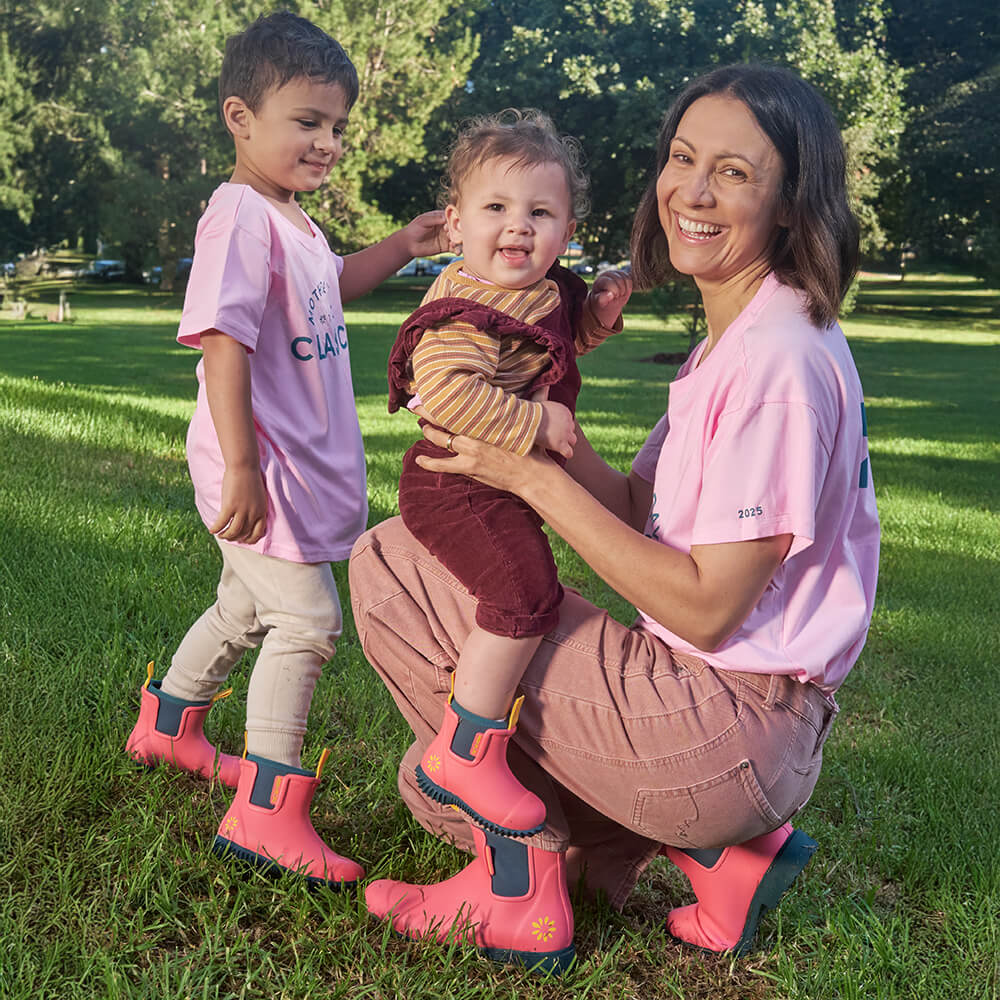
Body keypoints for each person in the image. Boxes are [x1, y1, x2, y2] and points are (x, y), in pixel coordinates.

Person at [349, 63, 880, 973]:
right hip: (742, 726)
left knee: (389, 564)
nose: (694, 191)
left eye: (737, 173)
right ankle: (714, 857)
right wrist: (556, 442)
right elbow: (645, 508)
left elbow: (710, 607)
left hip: (725, 723)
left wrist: (530, 476)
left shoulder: (775, 366)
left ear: (794, 204)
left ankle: (518, 893)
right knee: (435, 764)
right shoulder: (743, 334)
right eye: (683, 158)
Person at [125, 10, 447, 890]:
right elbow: (223, 341)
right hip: (259, 471)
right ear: (241, 117)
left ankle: (167, 728)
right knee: (305, 621)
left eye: (337, 126)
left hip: (298, 472)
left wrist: (403, 247)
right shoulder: (237, 217)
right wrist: (241, 467)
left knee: (242, 609)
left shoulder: (292, 221)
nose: (328, 141)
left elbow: (329, 286)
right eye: (307, 121)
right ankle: (266, 814)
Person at [385, 109, 631, 841]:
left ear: (568, 228)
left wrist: (601, 320)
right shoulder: (463, 312)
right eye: (496, 208)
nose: (517, 226)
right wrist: (537, 425)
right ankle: (466, 748)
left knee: (528, 587)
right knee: (525, 596)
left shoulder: (538, 289)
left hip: (498, 478)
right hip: (454, 482)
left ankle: (502, 722)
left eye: (540, 212)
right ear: (455, 224)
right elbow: (451, 396)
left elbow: (550, 344)